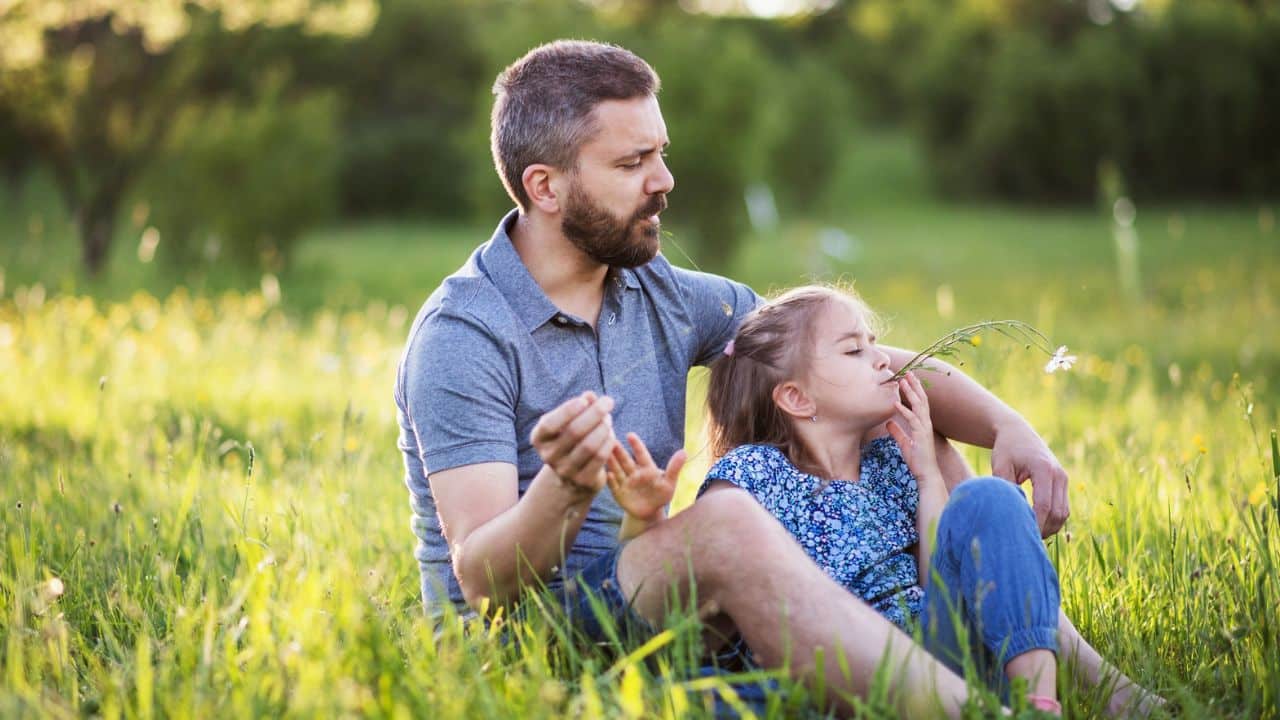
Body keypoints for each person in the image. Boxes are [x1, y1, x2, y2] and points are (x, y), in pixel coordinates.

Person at [395, 39, 1072, 716]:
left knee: (889, 428)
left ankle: (1100, 695)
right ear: (546, 186)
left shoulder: (653, 290)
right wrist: (563, 491)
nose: (664, 180)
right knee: (727, 525)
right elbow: (483, 583)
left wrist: (1008, 427)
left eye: (660, 152)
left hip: (660, 626)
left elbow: (839, 361)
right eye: (633, 163)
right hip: (523, 651)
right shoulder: (465, 336)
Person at [623, 284, 1158, 716]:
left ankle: (1037, 701)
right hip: (847, 673)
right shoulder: (751, 476)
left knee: (990, 499)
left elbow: (933, 583)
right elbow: (722, 585)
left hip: (939, 657)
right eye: (856, 351)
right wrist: (645, 516)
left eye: (874, 344)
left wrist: (928, 476)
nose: (884, 362)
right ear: (796, 397)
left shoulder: (889, 464)